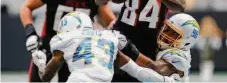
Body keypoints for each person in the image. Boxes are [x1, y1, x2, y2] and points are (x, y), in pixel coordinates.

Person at [19, 0, 116, 82]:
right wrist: (31, 33)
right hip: (49, 44)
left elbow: (111, 21)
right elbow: (26, 7)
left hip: (77, 51)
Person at [31, 11, 175, 82]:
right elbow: (137, 71)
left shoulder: (66, 38)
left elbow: (46, 77)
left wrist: (41, 62)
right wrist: (164, 81)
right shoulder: (109, 37)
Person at [120, 13, 200, 82]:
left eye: (173, 33)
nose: (165, 34)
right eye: (167, 28)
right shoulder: (167, 46)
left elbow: (153, 68)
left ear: (187, 42)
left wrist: (127, 48)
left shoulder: (180, 56)